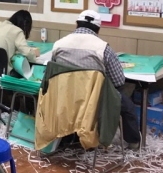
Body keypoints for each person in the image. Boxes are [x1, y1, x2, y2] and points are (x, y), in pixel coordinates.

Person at [51, 10, 141, 149]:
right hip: (95, 100)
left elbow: (53, 72)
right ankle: (133, 142)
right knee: (127, 106)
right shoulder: (103, 48)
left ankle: (68, 135)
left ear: (77, 24)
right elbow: (118, 81)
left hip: (65, 98)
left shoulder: (58, 45)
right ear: (98, 29)